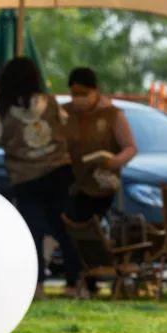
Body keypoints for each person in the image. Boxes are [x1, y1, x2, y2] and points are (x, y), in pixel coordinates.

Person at [0, 58, 82, 299]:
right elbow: (66, 127)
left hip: (25, 177)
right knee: (65, 228)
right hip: (58, 172)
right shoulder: (50, 102)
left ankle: (37, 284)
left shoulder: (4, 108)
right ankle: (74, 282)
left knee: (32, 232)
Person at [63, 67, 137, 222]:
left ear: (95, 91)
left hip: (102, 186)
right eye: (75, 94)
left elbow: (130, 147)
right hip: (71, 184)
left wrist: (113, 162)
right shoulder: (65, 112)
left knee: (93, 226)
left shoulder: (112, 114)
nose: (79, 98)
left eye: (84, 94)